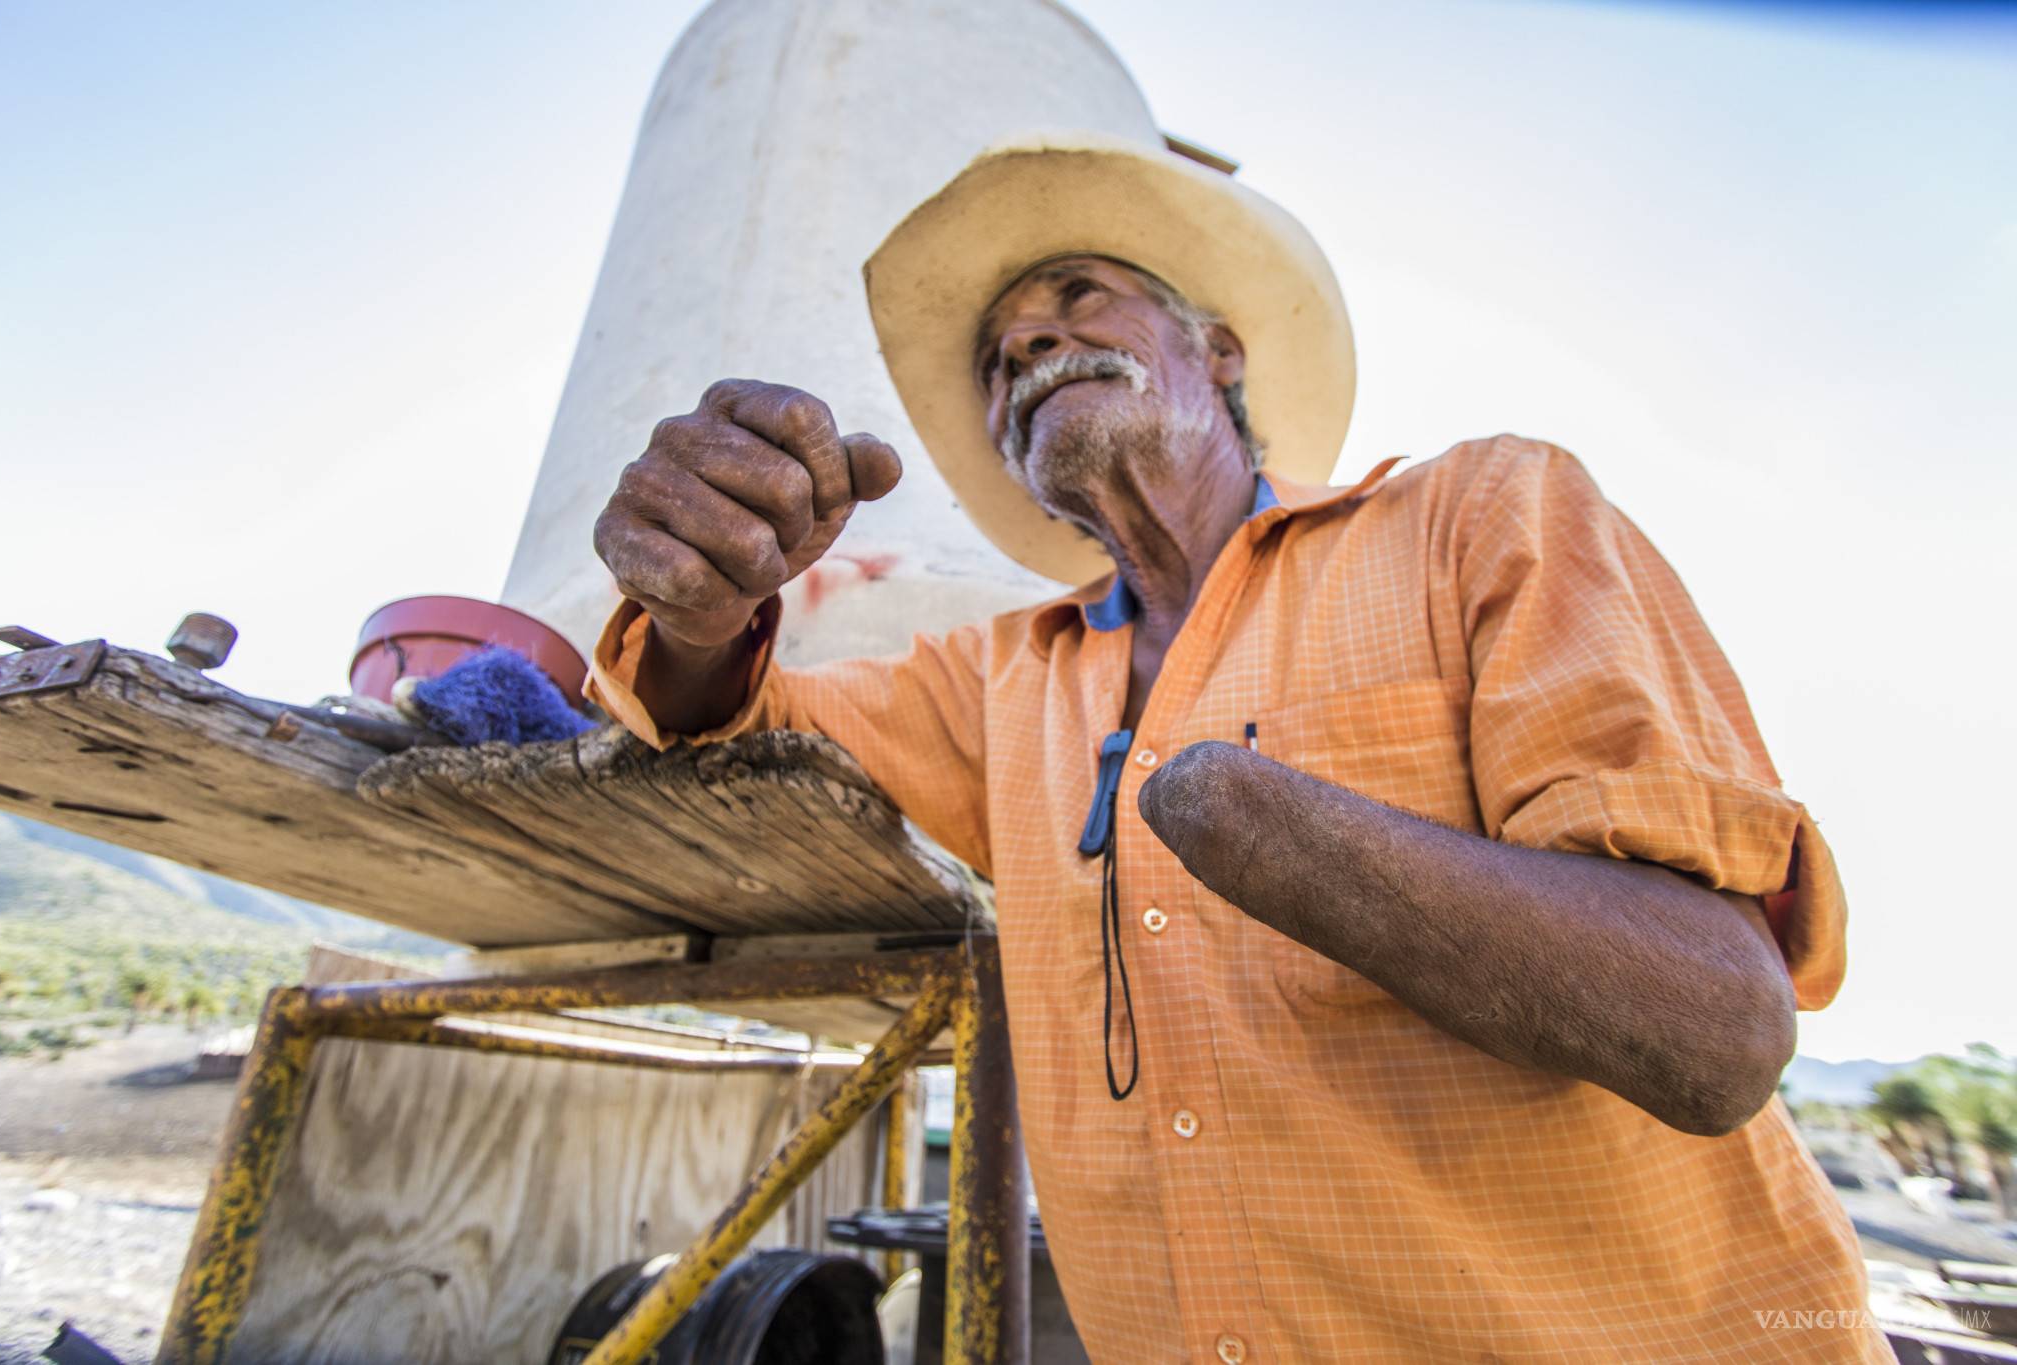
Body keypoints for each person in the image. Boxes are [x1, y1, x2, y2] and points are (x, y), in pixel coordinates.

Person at [586, 131, 1888, 1362]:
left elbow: (1717, 1026)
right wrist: (703, 605)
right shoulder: (1001, 676)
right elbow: (734, 717)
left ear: (1215, 351)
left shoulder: (1483, 518)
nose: (1030, 340)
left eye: (1081, 297)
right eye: (999, 358)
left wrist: (1265, 829)